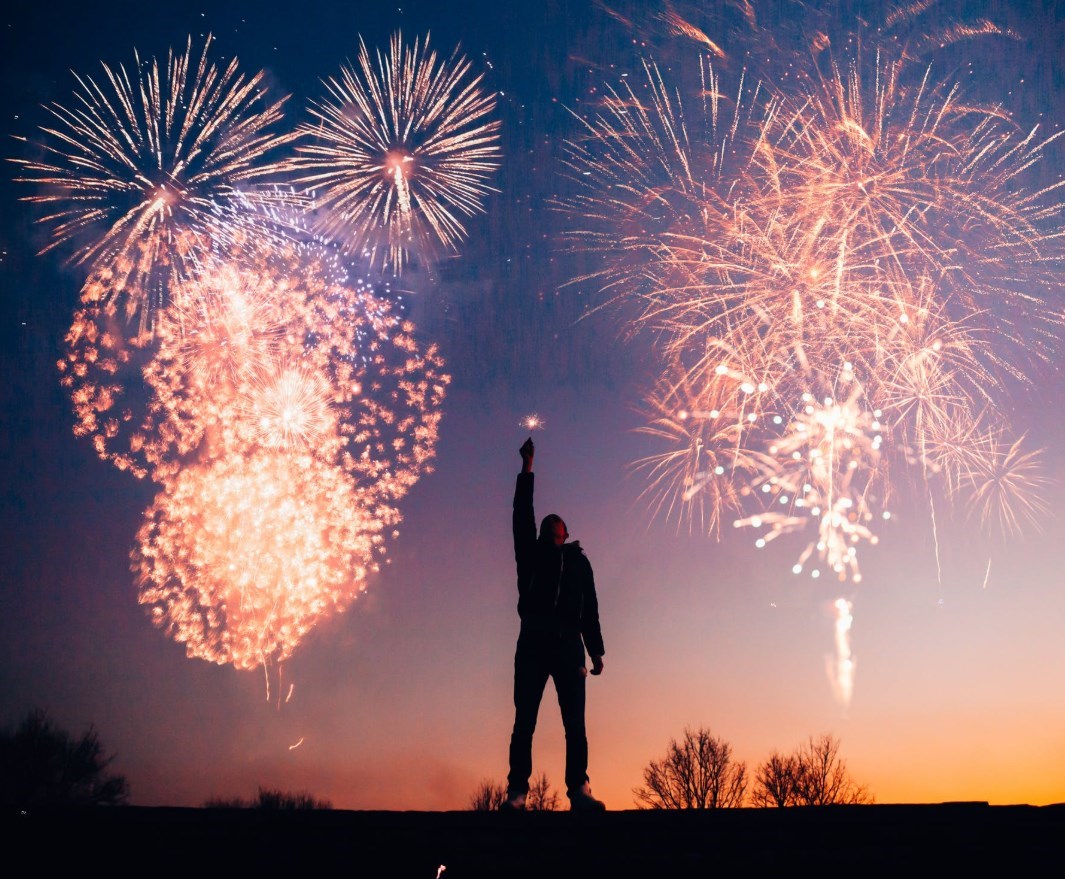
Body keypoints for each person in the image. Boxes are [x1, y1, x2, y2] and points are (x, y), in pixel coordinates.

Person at [501, 437, 606, 812]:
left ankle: (579, 789)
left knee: (574, 724)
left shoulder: (579, 563)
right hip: (533, 640)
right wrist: (528, 469)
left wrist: (596, 649)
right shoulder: (530, 555)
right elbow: (520, 514)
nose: (549, 535)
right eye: (545, 531)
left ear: (564, 535)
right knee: (524, 720)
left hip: (568, 645)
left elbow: (589, 607)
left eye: (554, 531)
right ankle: (517, 792)